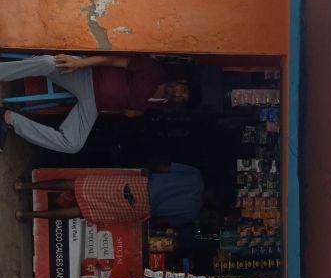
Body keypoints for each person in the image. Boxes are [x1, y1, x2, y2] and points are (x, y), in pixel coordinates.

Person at [0, 54, 190, 154]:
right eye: (183, 89)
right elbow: (113, 60)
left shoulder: (160, 103)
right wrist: (80, 64)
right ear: (181, 81)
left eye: (183, 98)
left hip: (94, 104)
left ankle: (8, 118)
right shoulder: (154, 70)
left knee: (72, 144)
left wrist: (135, 112)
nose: (179, 94)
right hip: (88, 76)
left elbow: (135, 109)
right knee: (49, 62)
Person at [14, 163, 204, 228]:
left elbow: (162, 167)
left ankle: (24, 185)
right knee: (80, 212)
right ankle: (26, 214)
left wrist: (148, 171)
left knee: (77, 185)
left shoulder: (195, 175)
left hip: (138, 185)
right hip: (139, 208)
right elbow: (163, 222)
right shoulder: (193, 212)